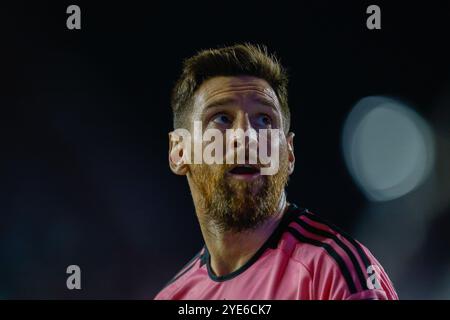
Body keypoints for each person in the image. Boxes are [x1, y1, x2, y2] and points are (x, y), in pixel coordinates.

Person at [155, 43, 398, 300]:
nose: (247, 136)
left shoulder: (335, 273)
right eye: (222, 118)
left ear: (289, 153)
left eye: (264, 120)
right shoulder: (174, 297)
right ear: (179, 152)